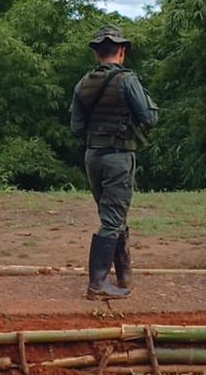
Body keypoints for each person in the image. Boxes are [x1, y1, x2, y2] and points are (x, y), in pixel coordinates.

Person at [69, 25, 158, 300]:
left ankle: (123, 275)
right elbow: (149, 118)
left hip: (93, 155)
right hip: (118, 156)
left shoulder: (83, 83)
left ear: (97, 53)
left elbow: (76, 127)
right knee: (112, 219)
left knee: (112, 216)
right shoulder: (127, 81)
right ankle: (97, 284)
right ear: (122, 51)